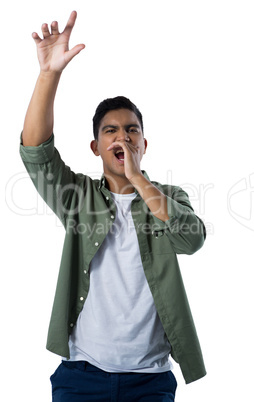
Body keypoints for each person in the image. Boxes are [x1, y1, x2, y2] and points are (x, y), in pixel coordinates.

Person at [20, 10, 207, 402]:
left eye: (132, 130)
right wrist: (48, 75)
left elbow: (192, 240)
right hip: (80, 375)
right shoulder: (77, 197)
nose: (122, 136)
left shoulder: (169, 198)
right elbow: (36, 151)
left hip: (150, 381)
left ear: (143, 143)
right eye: (111, 130)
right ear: (96, 147)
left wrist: (138, 179)